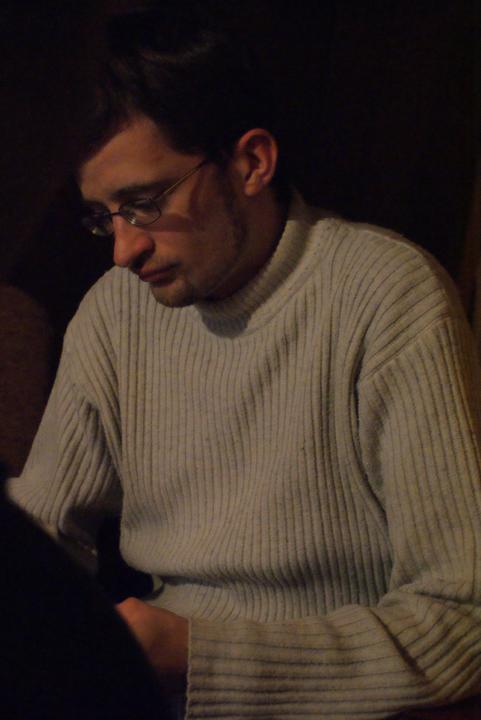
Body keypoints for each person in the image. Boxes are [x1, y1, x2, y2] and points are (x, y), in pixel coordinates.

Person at [7, 6, 481, 718]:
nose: (123, 250)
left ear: (252, 163)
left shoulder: (387, 296)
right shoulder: (114, 311)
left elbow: (464, 619)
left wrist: (200, 655)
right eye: (105, 216)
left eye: (144, 203)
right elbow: (40, 542)